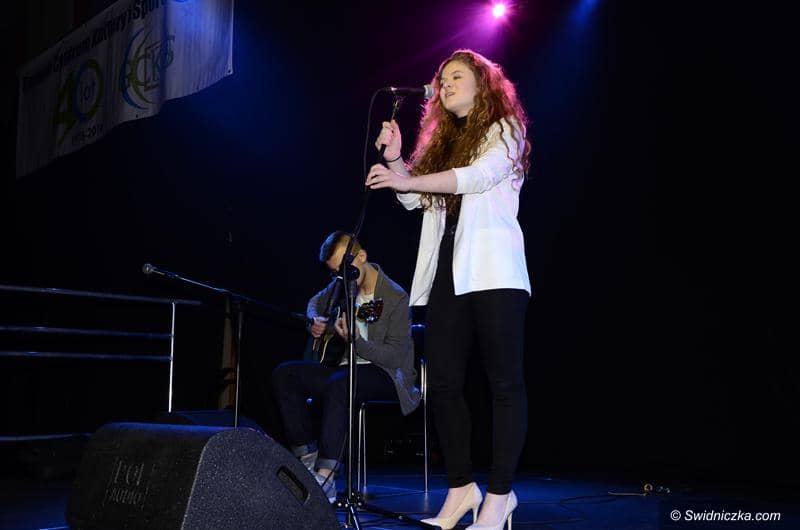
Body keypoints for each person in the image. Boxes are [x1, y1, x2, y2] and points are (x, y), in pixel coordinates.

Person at [366, 49, 532, 530]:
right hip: (447, 275)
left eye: (457, 76)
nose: (445, 84)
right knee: (441, 383)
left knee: (504, 384)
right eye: (442, 79)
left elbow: (476, 178)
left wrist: (407, 177)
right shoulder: (442, 140)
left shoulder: (505, 129)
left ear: (483, 83)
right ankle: (461, 489)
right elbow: (415, 197)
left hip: (494, 273)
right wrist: (396, 159)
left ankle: (500, 496)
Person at [271, 231, 420, 503]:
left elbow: (395, 356)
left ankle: (326, 477)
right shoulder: (342, 284)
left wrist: (356, 342)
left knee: (341, 382)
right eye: (335, 273)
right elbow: (315, 302)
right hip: (343, 369)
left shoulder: (395, 296)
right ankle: (307, 462)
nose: (340, 277)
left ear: (361, 257)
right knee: (285, 374)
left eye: (343, 269)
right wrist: (314, 320)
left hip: (386, 374)